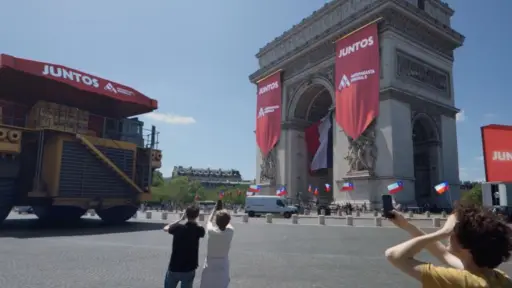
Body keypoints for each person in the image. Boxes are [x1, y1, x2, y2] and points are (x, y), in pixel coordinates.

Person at [385, 204, 512, 287]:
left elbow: (394, 255)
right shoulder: (499, 278)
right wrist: (407, 226)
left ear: (464, 245)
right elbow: (443, 254)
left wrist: (441, 233)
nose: (448, 234)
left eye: (452, 231)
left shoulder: (461, 281)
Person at [163, 205, 205, 288]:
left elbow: (165, 228)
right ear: (197, 216)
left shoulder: (178, 227)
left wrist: (179, 220)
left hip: (174, 266)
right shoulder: (198, 230)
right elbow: (201, 229)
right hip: (189, 268)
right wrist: (195, 221)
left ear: (186, 214)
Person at [200, 202, 234, 288]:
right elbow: (227, 222)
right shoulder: (230, 231)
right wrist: (223, 211)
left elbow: (209, 221)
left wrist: (214, 210)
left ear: (216, 220)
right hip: (223, 263)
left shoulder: (211, 231)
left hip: (210, 262)